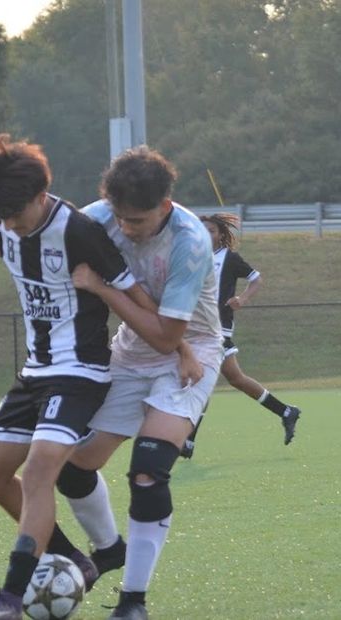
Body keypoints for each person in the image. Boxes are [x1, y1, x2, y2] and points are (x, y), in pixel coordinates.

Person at [0, 134, 142, 620]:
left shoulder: (79, 233)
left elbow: (135, 295)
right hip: (35, 371)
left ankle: (10, 600)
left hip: (79, 372)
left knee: (38, 473)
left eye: (17, 215)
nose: (9, 226)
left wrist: (179, 343)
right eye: (2, 217)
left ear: (41, 195)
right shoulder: (2, 213)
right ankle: (76, 558)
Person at [54, 146, 222, 620]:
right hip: (131, 351)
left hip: (193, 351)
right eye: (121, 218)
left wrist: (102, 287)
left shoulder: (190, 241)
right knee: (73, 467)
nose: (127, 228)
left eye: (139, 221)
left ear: (164, 207)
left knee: (148, 469)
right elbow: (35, 231)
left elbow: (171, 335)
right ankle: (108, 549)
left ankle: (133, 601)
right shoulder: (98, 217)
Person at [179, 212, 301, 459]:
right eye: (201, 230)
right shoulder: (193, 258)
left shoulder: (229, 259)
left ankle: (188, 442)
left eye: (211, 230)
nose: (205, 234)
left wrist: (242, 298)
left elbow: (256, 278)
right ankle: (286, 411)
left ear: (221, 235)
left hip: (216, 330)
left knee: (201, 381)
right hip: (196, 329)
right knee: (235, 378)